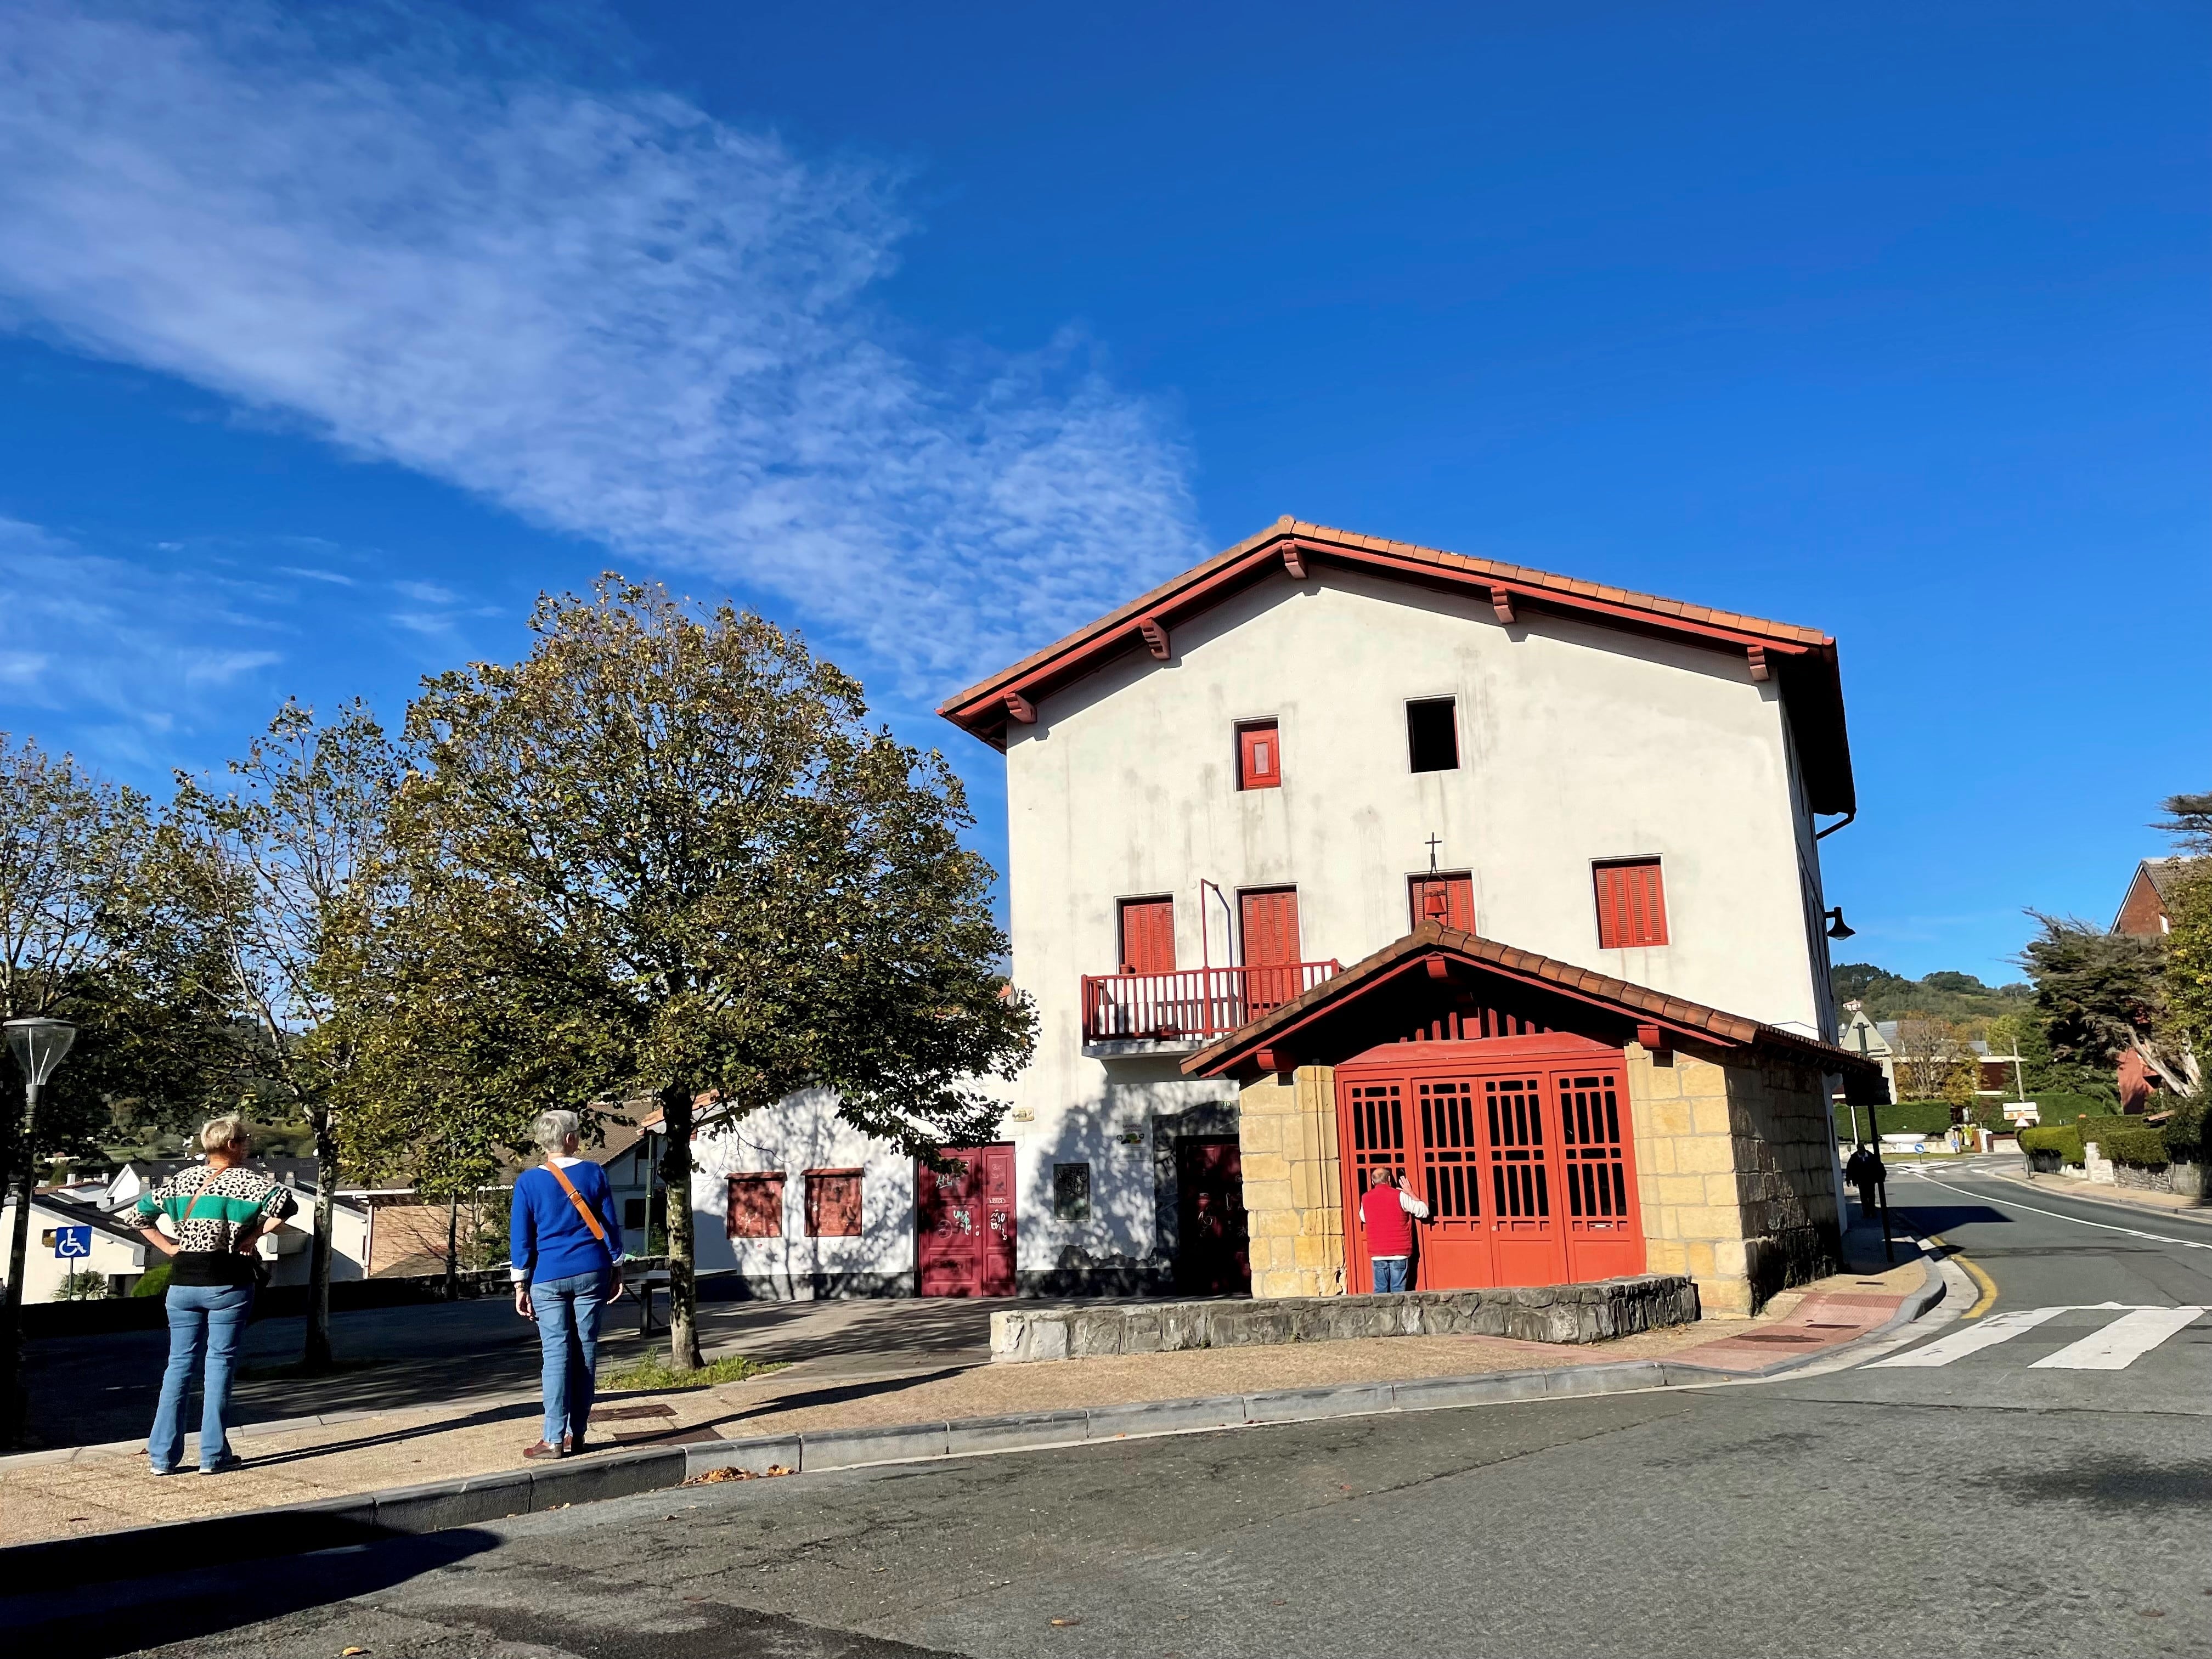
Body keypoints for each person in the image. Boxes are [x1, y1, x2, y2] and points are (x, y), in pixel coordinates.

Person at [134, 1115, 298, 1476]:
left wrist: (169, 1247)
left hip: (182, 1284)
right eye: (246, 1140)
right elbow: (286, 1206)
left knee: (177, 1367)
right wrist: (253, 1237)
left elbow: (139, 1216)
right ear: (232, 1145)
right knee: (219, 1365)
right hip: (227, 1281)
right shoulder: (248, 1183)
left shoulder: (180, 1181)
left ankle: (162, 1457)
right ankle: (213, 1455)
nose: (249, 1145)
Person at [510, 1110, 624, 1459]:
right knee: (586, 1349)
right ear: (571, 1139)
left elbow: (521, 1239)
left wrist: (520, 1285)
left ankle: (553, 1438)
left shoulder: (528, 1183)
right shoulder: (593, 1173)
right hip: (592, 1270)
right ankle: (579, 1433)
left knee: (556, 1355)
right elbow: (609, 1224)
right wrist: (617, 1265)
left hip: (548, 1276)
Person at [1359, 1164, 1429, 1293]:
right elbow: (1424, 1212)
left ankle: (1380, 1314)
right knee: (1398, 1291)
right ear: (1390, 1179)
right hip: (1399, 1251)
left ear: (1372, 1181)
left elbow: (1363, 1218)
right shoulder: (1400, 1196)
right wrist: (1410, 1193)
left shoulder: (1365, 1198)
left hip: (1378, 1252)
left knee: (1380, 1291)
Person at [1844, 1142, 1887, 1222]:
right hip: (1861, 1181)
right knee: (1863, 1197)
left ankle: (1873, 1212)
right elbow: (1850, 1169)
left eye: (1862, 1148)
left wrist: (1881, 1177)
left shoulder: (1871, 1156)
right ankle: (1866, 1213)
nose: (1861, 1150)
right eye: (1859, 1149)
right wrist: (1848, 1179)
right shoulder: (1854, 1158)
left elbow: (1879, 1166)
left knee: (1871, 1196)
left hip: (1871, 1180)